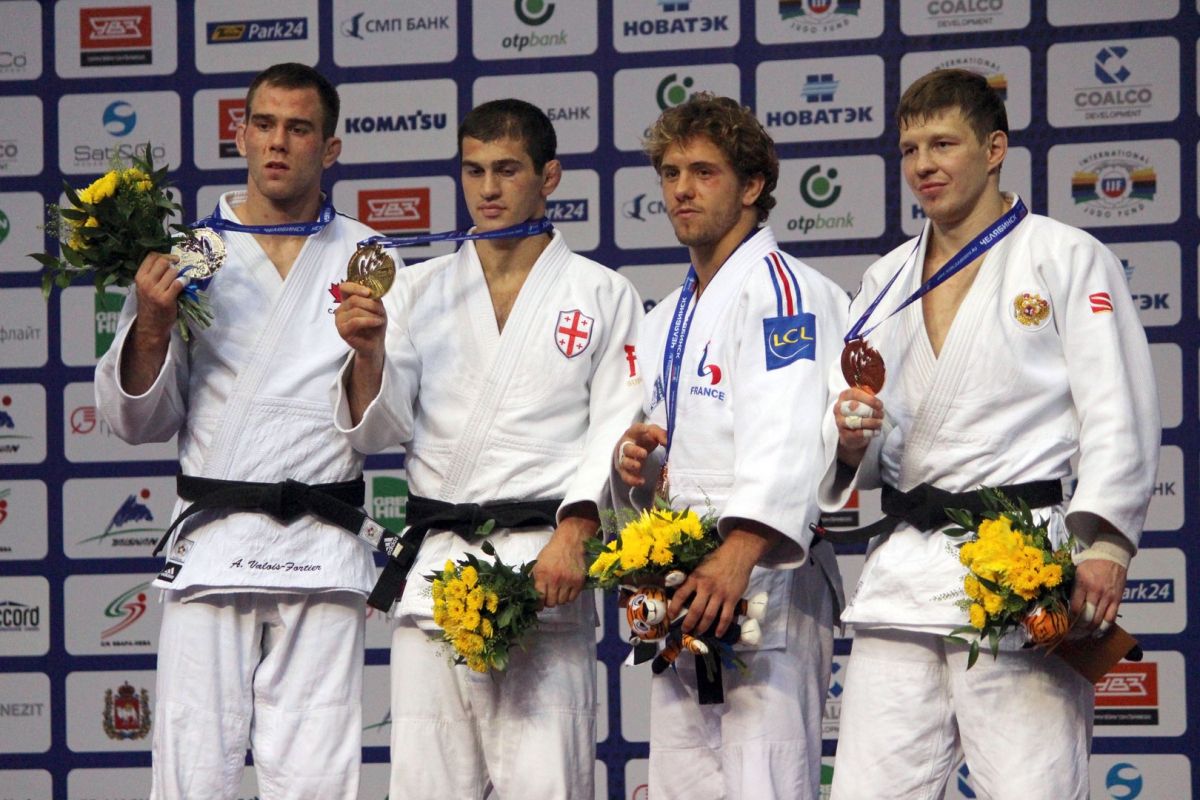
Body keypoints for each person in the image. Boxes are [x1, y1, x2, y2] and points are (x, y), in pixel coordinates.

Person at [821, 69, 1160, 800]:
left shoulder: (1065, 257)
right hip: (904, 578)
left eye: (943, 144)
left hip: (1018, 574)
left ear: (995, 148)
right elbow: (872, 451)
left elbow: (1119, 410)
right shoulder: (885, 279)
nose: (923, 165)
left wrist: (1106, 546)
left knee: (1032, 787)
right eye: (910, 150)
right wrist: (850, 441)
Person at [95, 64, 395, 799]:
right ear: (240, 135)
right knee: (193, 772)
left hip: (321, 549)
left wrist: (369, 353)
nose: (278, 142)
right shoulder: (186, 255)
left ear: (330, 148)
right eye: (264, 124)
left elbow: (381, 427)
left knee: (317, 778)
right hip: (214, 544)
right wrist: (153, 323)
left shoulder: (371, 257)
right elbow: (136, 419)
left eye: (299, 128)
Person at [331, 98, 643, 799]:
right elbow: (376, 431)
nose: (488, 189)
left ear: (549, 176)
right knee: (424, 787)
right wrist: (369, 354)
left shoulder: (602, 293)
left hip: (543, 572)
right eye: (474, 171)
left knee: (548, 786)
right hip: (434, 579)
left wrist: (577, 532)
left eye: (507, 170)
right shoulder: (417, 290)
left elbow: (617, 426)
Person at [613, 93, 847, 800]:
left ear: (752, 187)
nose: (681, 189)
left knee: (765, 783)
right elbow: (676, 451)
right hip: (685, 583)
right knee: (682, 786)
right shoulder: (665, 317)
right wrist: (637, 462)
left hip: (765, 575)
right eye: (671, 173)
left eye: (704, 172)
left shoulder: (785, 294)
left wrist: (740, 550)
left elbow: (792, 435)